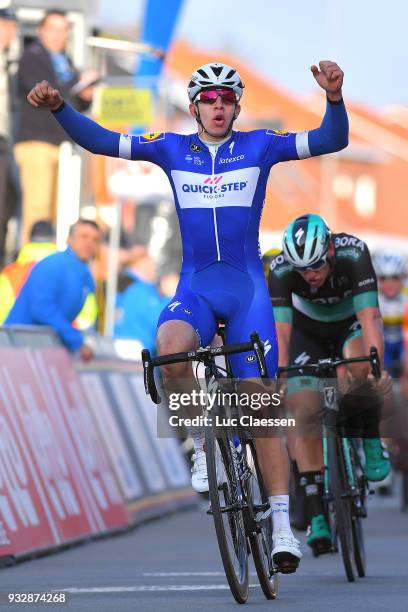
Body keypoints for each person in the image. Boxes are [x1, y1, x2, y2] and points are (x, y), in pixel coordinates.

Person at [26, 59, 349, 571]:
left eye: (226, 99)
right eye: (208, 99)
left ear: (236, 106)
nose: (217, 106)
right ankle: (202, 445)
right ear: (195, 105)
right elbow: (103, 142)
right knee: (168, 350)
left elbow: (332, 141)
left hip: (245, 292)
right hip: (196, 286)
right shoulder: (171, 148)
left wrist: (333, 98)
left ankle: (284, 528)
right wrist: (61, 108)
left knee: (260, 406)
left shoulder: (261, 145)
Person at [267, 214, 391, 554]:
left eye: (317, 265)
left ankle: (367, 440)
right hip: (307, 333)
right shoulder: (280, 270)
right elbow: (281, 332)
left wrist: (376, 367)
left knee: (360, 367)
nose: (311, 275)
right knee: (302, 408)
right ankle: (316, 512)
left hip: (350, 323)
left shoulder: (354, 254)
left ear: (331, 249)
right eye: (302, 270)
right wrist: (279, 378)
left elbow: (370, 318)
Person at [15, 9, 96, 244]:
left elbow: (72, 101)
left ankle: (49, 261)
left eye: (63, 30)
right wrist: (76, 83)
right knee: (37, 210)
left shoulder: (66, 61)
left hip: (61, 143)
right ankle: (30, 265)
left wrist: (86, 95)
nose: (58, 35)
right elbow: (42, 92)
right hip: (36, 142)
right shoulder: (32, 56)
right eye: (53, 29)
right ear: (41, 31)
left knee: (58, 211)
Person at [5, 218, 100, 361]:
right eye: (83, 236)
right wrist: (76, 340)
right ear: (69, 239)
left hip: (37, 350)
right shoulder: (54, 265)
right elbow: (41, 308)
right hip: (16, 348)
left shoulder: (85, 276)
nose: (89, 243)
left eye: (95, 239)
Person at [114, 245, 168, 352]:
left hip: (116, 350)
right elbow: (160, 319)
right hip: (138, 353)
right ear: (141, 263)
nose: (154, 268)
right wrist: (170, 296)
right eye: (150, 262)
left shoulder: (119, 284)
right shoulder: (141, 289)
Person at [0, 219, 56, 323]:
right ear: (54, 240)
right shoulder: (68, 270)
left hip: (17, 337)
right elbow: (84, 318)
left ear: (29, 240)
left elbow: (2, 315)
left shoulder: (9, 274)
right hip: (60, 337)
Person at [0, 7, 19, 266]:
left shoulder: (8, 58)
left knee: (9, 201)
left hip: (5, 142)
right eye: (7, 26)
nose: (13, 33)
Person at [372, 250, 407, 376]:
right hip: (383, 344)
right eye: (383, 278)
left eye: (394, 277)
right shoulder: (372, 297)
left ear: (403, 277)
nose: (389, 283)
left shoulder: (406, 293)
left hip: (404, 344)